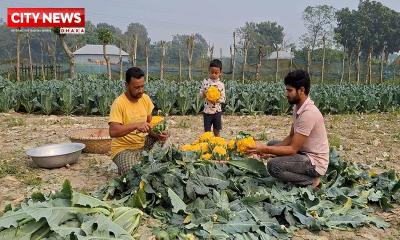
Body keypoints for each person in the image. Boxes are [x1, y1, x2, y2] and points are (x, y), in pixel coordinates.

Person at [247, 70, 329, 188]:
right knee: (272, 144)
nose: (286, 94)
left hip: (314, 163)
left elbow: (292, 149)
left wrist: (264, 149)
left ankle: (311, 181)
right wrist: (267, 150)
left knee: (273, 166)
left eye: (289, 90)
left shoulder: (308, 114)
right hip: (304, 152)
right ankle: (299, 175)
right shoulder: (298, 107)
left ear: (301, 90)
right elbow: (291, 137)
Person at [108, 67, 168, 175]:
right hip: (123, 149)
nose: (140, 90)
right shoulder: (119, 103)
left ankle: (140, 161)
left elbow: (150, 127)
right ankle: (125, 164)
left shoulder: (145, 99)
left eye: (142, 86)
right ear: (127, 85)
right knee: (136, 175)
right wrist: (136, 125)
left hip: (142, 145)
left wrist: (158, 135)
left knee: (167, 140)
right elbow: (113, 132)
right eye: (136, 87)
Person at [199, 59, 226, 137]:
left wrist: (217, 99)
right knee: (207, 131)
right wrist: (204, 94)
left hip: (217, 111)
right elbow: (200, 95)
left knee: (217, 130)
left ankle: (218, 143)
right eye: (212, 72)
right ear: (209, 71)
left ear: (220, 73)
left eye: (216, 73)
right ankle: (207, 144)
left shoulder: (221, 85)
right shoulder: (205, 83)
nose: (214, 74)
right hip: (207, 111)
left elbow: (224, 99)